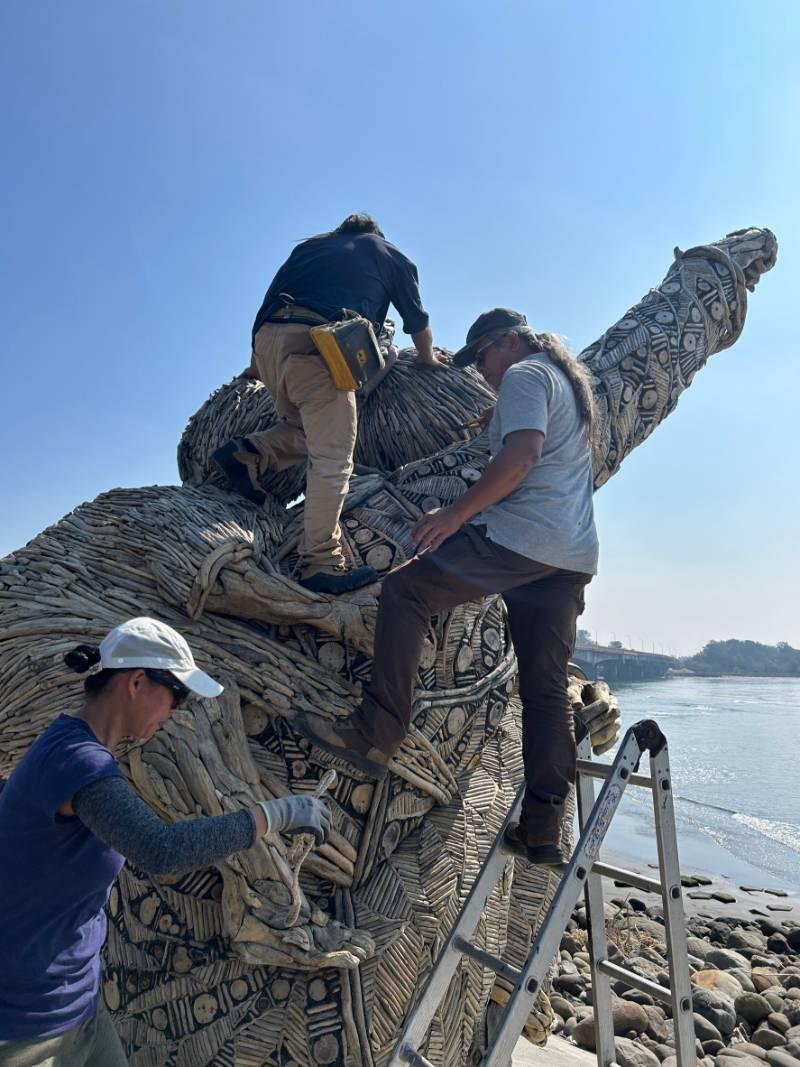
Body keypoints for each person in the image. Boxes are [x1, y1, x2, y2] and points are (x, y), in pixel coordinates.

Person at [294, 308, 599, 867]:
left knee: (407, 593)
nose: (482, 370)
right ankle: (543, 829)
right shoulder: (567, 387)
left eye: (483, 356)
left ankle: (378, 729)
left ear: (510, 341)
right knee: (546, 690)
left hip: (521, 541)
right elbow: (526, 445)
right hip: (571, 556)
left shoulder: (527, 375)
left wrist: (455, 515)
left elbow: (523, 455)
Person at [0, 617, 331, 1066]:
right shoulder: (76, 761)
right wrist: (278, 814)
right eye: (177, 695)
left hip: (77, 1003)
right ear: (136, 682)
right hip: (25, 1023)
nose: (176, 711)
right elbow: (162, 850)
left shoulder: (86, 753)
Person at [212, 213, 442, 595]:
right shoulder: (388, 254)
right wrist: (428, 358)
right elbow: (416, 321)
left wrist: (256, 368)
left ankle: (251, 452)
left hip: (270, 346)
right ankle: (320, 560)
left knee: (308, 429)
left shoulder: (308, 248)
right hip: (319, 345)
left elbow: (267, 303)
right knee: (334, 457)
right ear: (375, 234)